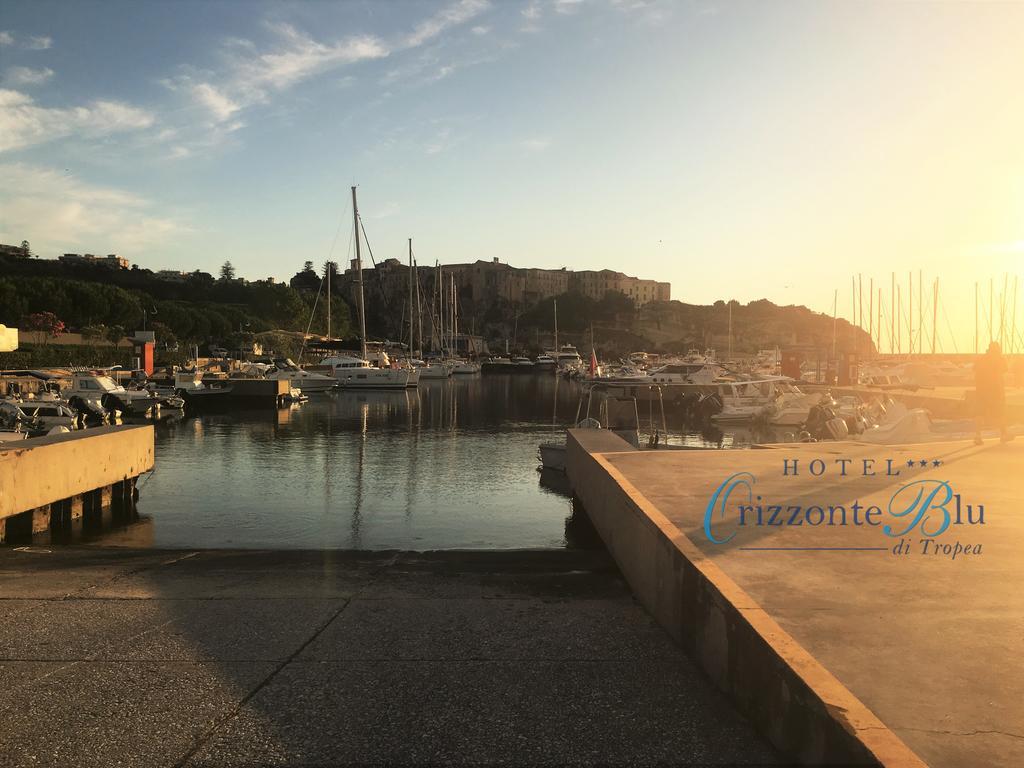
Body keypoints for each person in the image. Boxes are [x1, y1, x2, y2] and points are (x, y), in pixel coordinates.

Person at [974, 341, 1011, 444]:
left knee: (979, 413)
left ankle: (977, 435)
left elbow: (975, 370)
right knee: (1001, 413)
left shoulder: (981, 359)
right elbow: (1004, 370)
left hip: (981, 390)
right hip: (996, 390)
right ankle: (1003, 434)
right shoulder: (1000, 359)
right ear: (998, 349)